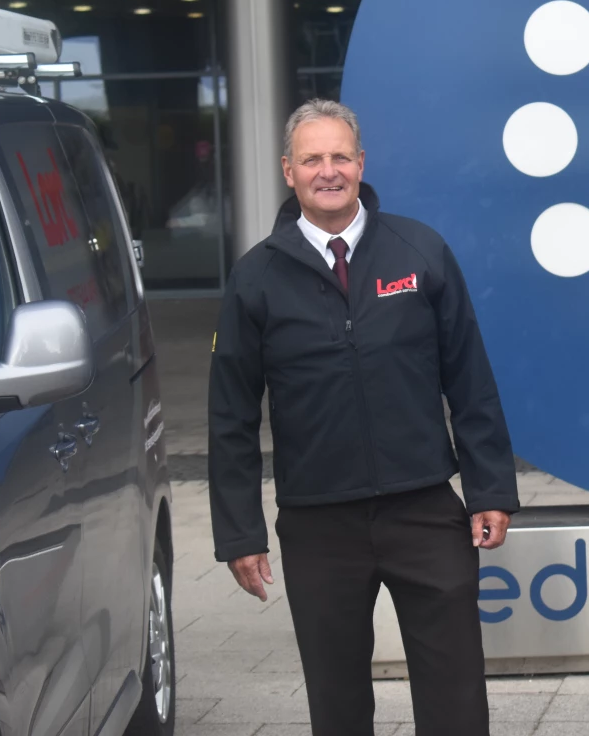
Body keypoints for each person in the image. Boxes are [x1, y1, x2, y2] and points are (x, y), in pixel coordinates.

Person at [208, 99, 518, 736]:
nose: (329, 170)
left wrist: (489, 488)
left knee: (458, 698)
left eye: (340, 156)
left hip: (425, 509)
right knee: (338, 704)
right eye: (313, 159)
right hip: (318, 522)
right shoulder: (255, 277)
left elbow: (470, 379)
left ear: (361, 164)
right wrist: (239, 530)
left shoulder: (420, 251)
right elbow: (231, 415)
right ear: (289, 171)